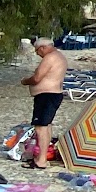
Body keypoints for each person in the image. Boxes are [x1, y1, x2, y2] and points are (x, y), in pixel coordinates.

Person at [20, 36, 67, 170]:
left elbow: (37, 78)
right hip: (54, 94)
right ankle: (43, 158)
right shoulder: (60, 56)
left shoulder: (50, 57)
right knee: (46, 126)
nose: (37, 54)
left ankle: (41, 160)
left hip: (47, 95)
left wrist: (25, 81)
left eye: (37, 51)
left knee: (40, 127)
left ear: (43, 47)